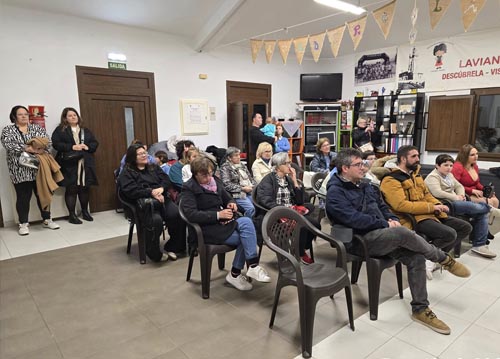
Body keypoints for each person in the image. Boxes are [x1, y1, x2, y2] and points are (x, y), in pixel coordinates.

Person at [326, 148, 471, 335]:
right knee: (402, 233)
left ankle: (420, 309)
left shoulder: (365, 184)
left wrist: (390, 218)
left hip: (382, 234)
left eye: (363, 163)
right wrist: (384, 223)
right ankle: (442, 258)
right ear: (345, 168)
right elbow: (353, 219)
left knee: (417, 256)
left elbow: (382, 206)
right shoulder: (335, 192)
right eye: (358, 164)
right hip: (359, 240)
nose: (363, 167)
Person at [380, 146, 472, 279]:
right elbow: (400, 205)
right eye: (414, 156)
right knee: (449, 234)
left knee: (465, 227)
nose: (418, 159)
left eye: (418, 155)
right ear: (403, 159)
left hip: (429, 214)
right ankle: (432, 258)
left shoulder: (415, 175)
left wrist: (438, 204)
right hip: (413, 218)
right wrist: (430, 207)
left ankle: (431, 259)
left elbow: (427, 194)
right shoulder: (391, 179)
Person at [181, 156, 270, 291]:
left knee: (246, 222)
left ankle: (252, 266)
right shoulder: (189, 188)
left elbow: (227, 198)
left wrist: (231, 204)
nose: (208, 177)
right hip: (206, 229)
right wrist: (217, 215)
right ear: (195, 174)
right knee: (245, 237)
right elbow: (190, 214)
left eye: (210, 173)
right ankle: (236, 273)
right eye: (204, 175)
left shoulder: (215, 181)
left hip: (223, 223)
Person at [118, 144, 187, 260]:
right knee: (156, 220)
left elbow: (166, 180)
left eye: (145, 152)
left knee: (177, 214)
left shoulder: (153, 167)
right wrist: (151, 192)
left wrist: (161, 189)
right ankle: (154, 253)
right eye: (140, 154)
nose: (144, 155)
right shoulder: (126, 172)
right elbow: (131, 191)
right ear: (132, 157)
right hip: (144, 205)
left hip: (162, 199)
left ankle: (174, 247)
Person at [1, 105, 60, 235]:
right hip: (20, 170)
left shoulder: (36, 128)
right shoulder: (8, 130)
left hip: (39, 169)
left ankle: (47, 219)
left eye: (26, 114)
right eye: (20, 114)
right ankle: (23, 223)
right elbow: (9, 144)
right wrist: (27, 148)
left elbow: (47, 143)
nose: (24, 116)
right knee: (23, 197)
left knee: (43, 194)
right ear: (14, 116)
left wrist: (37, 148)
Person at [425, 154, 495, 258]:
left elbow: (459, 186)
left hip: (457, 201)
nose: (449, 168)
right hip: (446, 204)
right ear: (437, 165)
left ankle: (479, 245)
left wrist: (461, 195)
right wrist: (456, 198)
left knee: (481, 213)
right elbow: (438, 193)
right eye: (446, 165)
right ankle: (492, 210)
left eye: (451, 165)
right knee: (478, 208)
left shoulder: (449, 175)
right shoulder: (432, 177)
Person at [256, 152, 319, 264]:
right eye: (287, 163)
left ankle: (301, 248)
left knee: (316, 224)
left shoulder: (287, 179)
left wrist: (294, 180)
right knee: (304, 225)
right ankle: (300, 253)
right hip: (277, 215)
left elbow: (300, 201)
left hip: (291, 211)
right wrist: (285, 210)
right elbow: (265, 201)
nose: (290, 166)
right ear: (279, 166)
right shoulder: (268, 180)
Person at [52, 107, 99, 224]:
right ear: (65, 118)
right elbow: (56, 144)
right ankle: (72, 215)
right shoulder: (60, 130)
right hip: (69, 164)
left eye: (75, 115)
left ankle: (85, 211)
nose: (73, 117)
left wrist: (88, 147)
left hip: (85, 163)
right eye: (70, 115)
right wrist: (72, 147)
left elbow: (94, 142)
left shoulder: (85, 130)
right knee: (71, 189)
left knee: (84, 188)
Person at [452, 144, 500, 214]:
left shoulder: (474, 166)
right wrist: (472, 191)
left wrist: (486, 190)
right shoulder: (457, 167)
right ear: (464, 156)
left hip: (475, 193)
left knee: (495, 200)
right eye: (472, 155)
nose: (476, 157)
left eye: (477, 154)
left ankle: (490, 223)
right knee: (488, 202)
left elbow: (476, 183)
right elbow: (454, 185)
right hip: (464, 194)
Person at [220, 147, 256, 218]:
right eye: (236, 155)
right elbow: (227, 185)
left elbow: (251, 179)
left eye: (239, 155)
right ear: (229, 158)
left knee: (259, 205)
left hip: (249, 191)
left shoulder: (242, 166)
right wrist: (242, 188)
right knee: (251, 208)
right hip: (237, 194)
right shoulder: (225, 168)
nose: (239, 157)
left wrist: (254, 186)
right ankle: (249, 223)